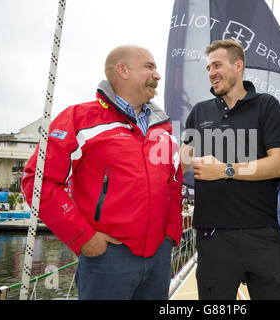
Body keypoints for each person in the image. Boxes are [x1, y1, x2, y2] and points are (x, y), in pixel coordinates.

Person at [21, 45, 183, 300]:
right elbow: (37, 181)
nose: (157, 75)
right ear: (123, 70)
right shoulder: (79, 118)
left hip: (158, 258)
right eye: (150, 67)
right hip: (107, 258)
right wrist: (84, 238)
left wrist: (171, 235)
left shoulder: (162, 129)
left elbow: (173, 183)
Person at [180, 39, 280, 300]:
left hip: (262, 233)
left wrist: (225, 170)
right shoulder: (199, 112)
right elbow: (181, 162)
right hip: (213, 236)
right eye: (208, 67)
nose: (211, 72)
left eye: (217, 65)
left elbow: (279, 164)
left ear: (238, 66)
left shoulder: (266, 105)